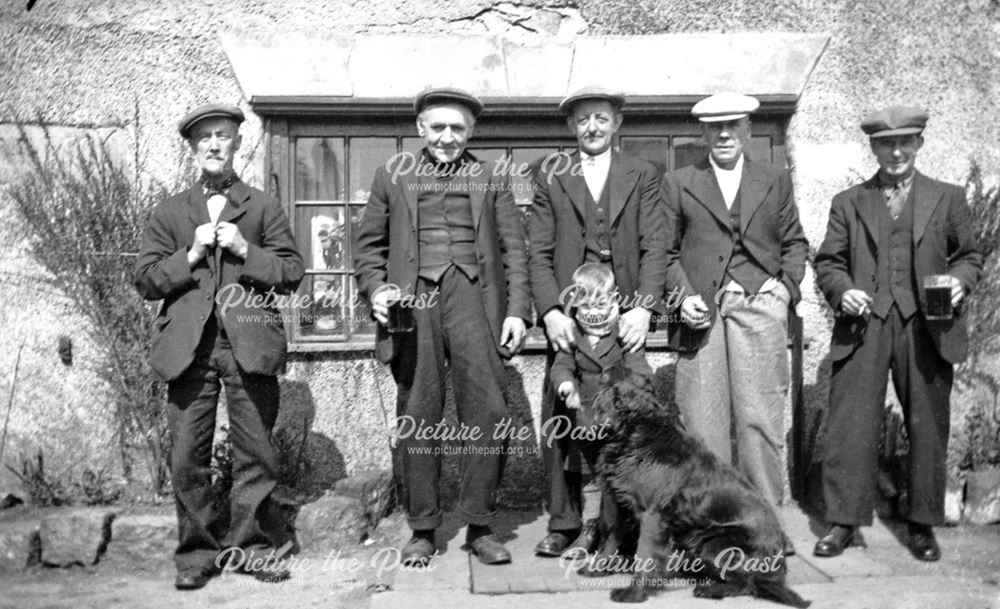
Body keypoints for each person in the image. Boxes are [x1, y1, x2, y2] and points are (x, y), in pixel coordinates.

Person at [354, 86, 531, 566]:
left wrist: (516, 310)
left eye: (458, 128)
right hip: (416, 304)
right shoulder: (392, 175)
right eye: (439, 127)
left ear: (471, 130)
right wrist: (376, 291)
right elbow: (367, 248)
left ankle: (479, 525)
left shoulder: (492, 176)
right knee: (419, 411)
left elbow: (516, 250)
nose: (448, 137)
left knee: (490, 412)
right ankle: (423, 530)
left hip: (476, 301)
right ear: (420, 129)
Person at [134, 103, 305, 590]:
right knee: (188, 456)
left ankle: (253, 550)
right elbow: (145, 280)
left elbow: (292, 272)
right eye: (205, 137)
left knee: (256, 453)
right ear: (192, 148)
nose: (214, 145)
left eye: (223, 136)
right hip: (189, 349)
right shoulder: (169, 212)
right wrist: (188, 256)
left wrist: (245, 251)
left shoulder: (263, 206)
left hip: (248, 345)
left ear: (237, 143)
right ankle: (196, 557)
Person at [812, 106, 982, 561]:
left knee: (927, 426)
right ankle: (843, 522)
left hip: (927, 326)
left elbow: (969, 257)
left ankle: (923, 526)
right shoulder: (849, 202)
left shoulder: (947, 197)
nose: (897, 151)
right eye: (887, 143)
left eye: (906, 142)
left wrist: (958, 283)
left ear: (919, 144)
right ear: (873, 147)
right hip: (864, 325)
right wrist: (843, 291)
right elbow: (828, 262)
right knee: (851, 427)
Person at [661, 93, 808, 552]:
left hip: (758, 305)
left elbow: (795, 244)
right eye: (714, 127)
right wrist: (682, 297)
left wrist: (783, 289)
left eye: (734, 125)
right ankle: (712, 532)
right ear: (703, 133)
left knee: (758, 422)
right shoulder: (680, 181)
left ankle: (766, 529)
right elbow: (664, 253)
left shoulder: (774, 179)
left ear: (747, 130)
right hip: (700, 314)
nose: (724, 134)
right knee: (702, 428)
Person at [528, 85, 667, 558]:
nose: (592, 127)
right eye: (583, 119)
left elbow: (655, 245)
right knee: (563, 413)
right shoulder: (550, 173)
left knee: (628, 415)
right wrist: (549, 311)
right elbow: (538, 251)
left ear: (617, 123)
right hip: (571, 313)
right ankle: (563, 522)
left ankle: (621, 523)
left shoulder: (643, 173)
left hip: (623, 308)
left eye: (601, 119)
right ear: (571, 126)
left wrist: (643, 307)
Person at [550, 262, 653, 561]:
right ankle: (589, 529)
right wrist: (567, 386)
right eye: (586, 303)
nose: (594, 310)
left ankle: (621, 536)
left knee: (619, 480)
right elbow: (562, 366)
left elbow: (638, 367)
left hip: (619, 423)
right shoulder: (572, 333)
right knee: (590, 478)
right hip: (585, 421)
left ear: (614, 300)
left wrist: (639, 388)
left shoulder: (623, 331)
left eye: (601, 302)